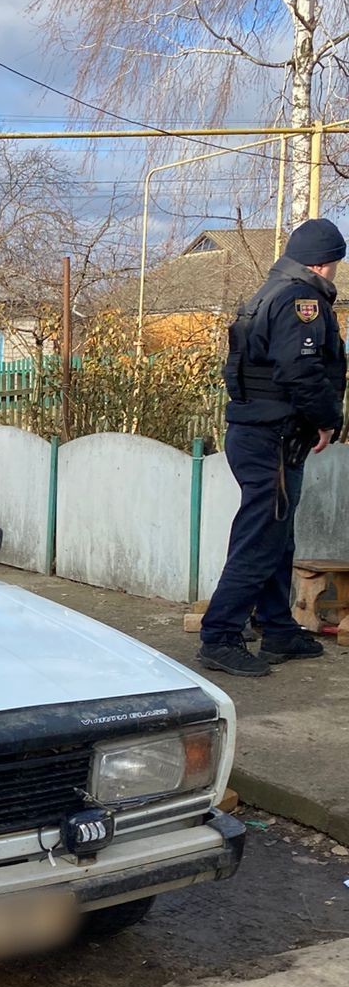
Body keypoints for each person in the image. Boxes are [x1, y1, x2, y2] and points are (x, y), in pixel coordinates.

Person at [199, 217, 347, 676]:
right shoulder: (300, 300)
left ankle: (278, 629)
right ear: (325, 264)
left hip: (264, 432)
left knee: (278, 536)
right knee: (261, 538)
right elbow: (300, 371)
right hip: (273, 437)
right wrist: (328, 420)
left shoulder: (267, 294)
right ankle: (220, 635)